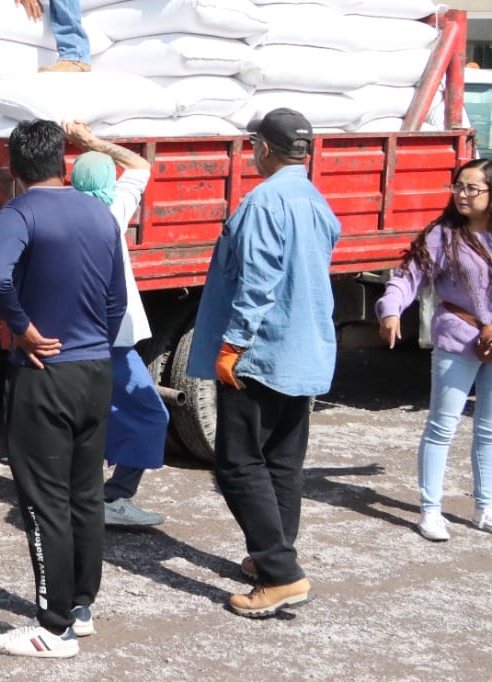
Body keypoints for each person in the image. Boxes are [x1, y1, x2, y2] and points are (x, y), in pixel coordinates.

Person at [186, 108, 339, 618]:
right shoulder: (315, 199)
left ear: (265, 149)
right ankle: (275, 552)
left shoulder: (263, 201)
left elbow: (258, 282)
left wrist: (232, 345)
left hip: (263, 353)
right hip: (304, 350)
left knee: (237, 463)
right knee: (282, 461)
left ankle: (280, 574)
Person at [0, 119, 126, 659]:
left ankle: (54, 626)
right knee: (86, 495)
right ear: (63, 163)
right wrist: (94, 346)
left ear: (14, 170)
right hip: (94, 370)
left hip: (44, 373)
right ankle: (81, 607)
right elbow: (116, 301)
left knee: (44, 503)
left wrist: (24, 329)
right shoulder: (98, 212)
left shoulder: (20, 211)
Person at [376, 158, 492, 540]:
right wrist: (391, 310)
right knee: (443, 426)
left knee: (489, 430)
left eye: (471, 188)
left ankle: (485, 506)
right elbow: (408, 277)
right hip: (457, 339)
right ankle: (430, 510)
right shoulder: (443, 236)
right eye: (458, 186)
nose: (461, 194)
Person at [63, 120, 170, 528]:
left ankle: (81, 492)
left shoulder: (62, 217)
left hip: (73, 340)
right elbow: (140, 166)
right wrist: (92, 142)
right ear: (108, 182)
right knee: (149, 414)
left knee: (87, 417)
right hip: (112, 339)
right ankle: (114, 497)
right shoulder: (111, 213)